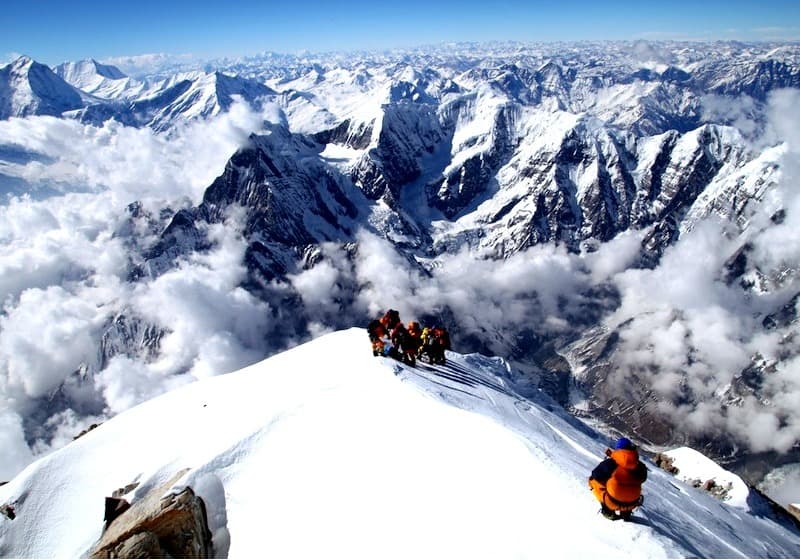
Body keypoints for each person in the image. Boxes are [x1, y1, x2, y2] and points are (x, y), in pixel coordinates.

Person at [589, 437, 647, 521]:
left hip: (612, 502)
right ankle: (626, 513)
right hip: (632, 503)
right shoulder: (640, 466)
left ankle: (607, 511)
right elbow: (643, 478)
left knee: (593, 481)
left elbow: (596, 475)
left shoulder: (611, 463)